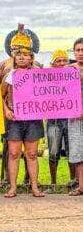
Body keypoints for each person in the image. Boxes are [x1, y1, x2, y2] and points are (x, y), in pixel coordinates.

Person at [1, 29, 45, 198]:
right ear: (14, 57)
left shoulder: (39, 75)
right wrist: (6, 110)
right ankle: (13, 187)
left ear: (31, 58)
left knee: (32, 154)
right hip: (15, 119)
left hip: (33, 119)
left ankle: (34, 187)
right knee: (13, 153)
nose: (21, 57)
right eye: (18, 54)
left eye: (25, 54)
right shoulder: (9, 76)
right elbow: (0, 95)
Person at [46, 50, 75, 192]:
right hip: (54, 120)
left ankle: (73, 182)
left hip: (71, 120)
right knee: (53, 152)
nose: (62, 63)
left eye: (65, 60)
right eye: (59, 61)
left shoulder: (74, 76)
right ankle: (53, 183)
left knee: (72, 151)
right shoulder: (46, 78)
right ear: (53, 63)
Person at [68, 38, 83, 196]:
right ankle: (81, 186)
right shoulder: (68, 70)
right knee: (78, 151)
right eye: (78, 50)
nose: (80, 53)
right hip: (74, 116)